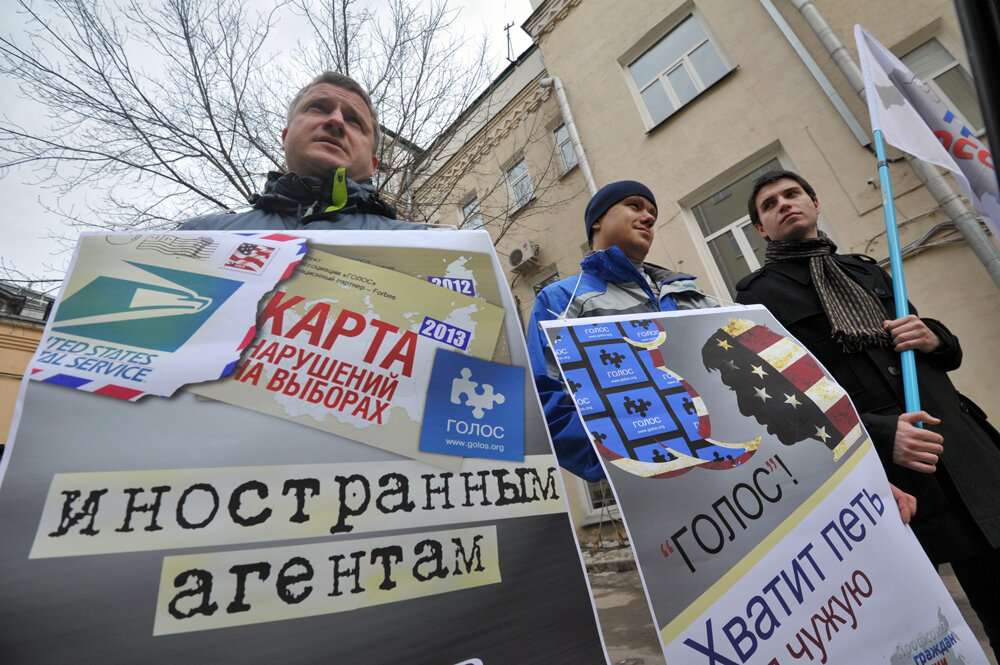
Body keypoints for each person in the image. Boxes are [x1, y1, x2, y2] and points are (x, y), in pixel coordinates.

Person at [736, 169, 1000, 652]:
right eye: (769, 204)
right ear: (760, 229)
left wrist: (935, 335)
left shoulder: (866, 271)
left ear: (815, 202)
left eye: (792, 193)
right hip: (883, 477)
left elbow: (941, 353)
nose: (784, 204)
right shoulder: (757, 298)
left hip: (959, 455)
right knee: (913, 633)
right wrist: (880, 433)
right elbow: (783, 399)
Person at [526, 180, 717, 481]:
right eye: (634, 206)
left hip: (729, 469)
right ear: (597, 220)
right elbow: (547, 400)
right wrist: (621, 462)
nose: (649, 217)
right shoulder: (561, 299)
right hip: (651, 482)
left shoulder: (691, 294)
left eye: (652, 212)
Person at [181, 72, 420, 231]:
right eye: (318, 108)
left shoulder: (426, 250)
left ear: (373, 165)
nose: (336, 121)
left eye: (354, 121)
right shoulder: (199, 237)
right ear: (285, 138)